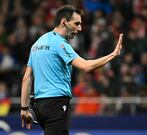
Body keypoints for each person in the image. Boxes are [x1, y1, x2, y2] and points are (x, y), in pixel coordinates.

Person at [20, 5, 123, 135]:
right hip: (56, 105)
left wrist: (24, 109)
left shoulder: (37, 43)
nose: (79, 28)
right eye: (76, 24)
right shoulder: (60, 43)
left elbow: (27, 78)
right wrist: (113, 54)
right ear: (64, 21)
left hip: (39, 107)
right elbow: (86, 66)